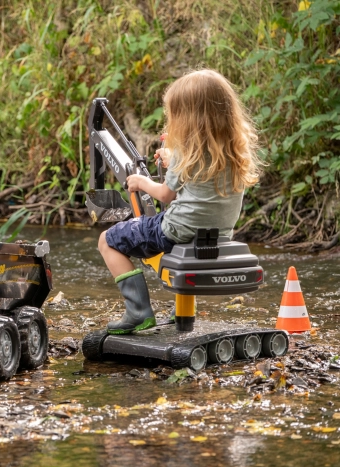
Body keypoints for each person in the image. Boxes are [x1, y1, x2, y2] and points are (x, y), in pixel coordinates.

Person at [99, 69, 262, 335]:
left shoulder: (185, 153)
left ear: (186, 118)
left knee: (108, 240)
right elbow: (199, 179)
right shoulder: (234, 151)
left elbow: (164, 194)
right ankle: (181, 313)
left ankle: (138, 312)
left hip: (177, 230)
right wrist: (172, 157)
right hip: (220, 234)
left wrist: (140, 182)